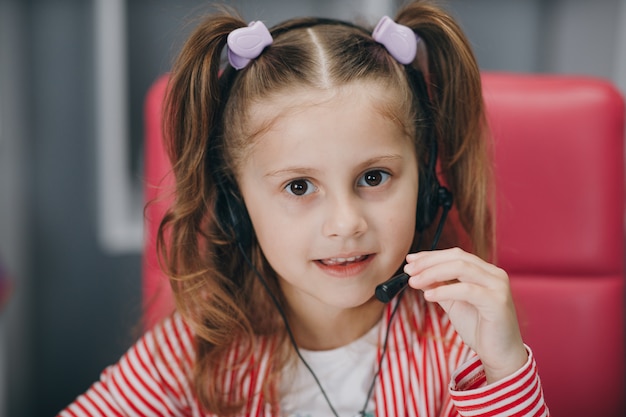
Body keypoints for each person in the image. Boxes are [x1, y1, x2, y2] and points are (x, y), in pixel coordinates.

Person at [59, 1, 549, 416]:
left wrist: (504, 368)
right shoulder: (193, 351)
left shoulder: (461, 347)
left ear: (424, 186)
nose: (345, 223)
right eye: (298, 187)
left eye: (373, 177)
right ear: (236, 202)